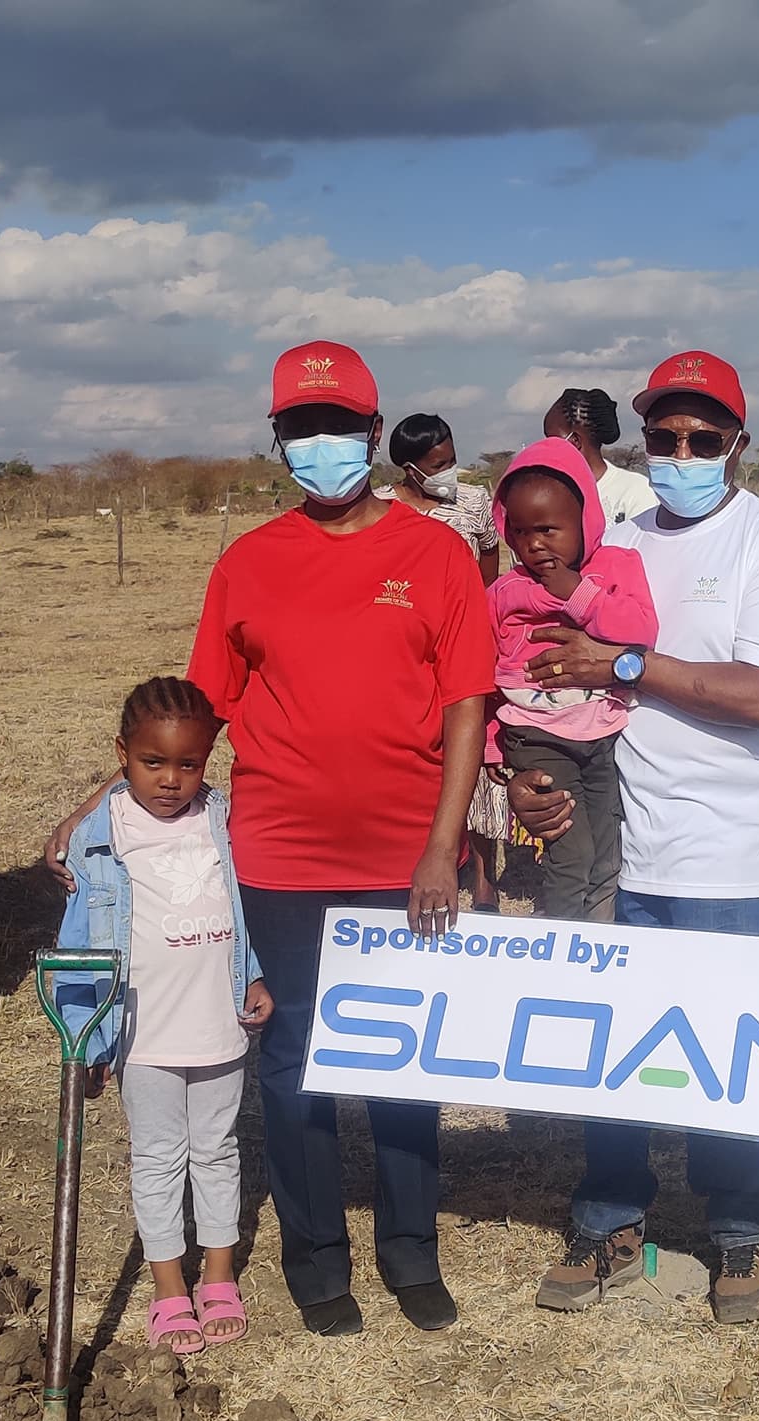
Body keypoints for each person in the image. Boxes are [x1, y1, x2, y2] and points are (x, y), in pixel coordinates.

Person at [46, 341, 492, 1335]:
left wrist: (441, 845)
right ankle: (316, 1259)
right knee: (291, 1058)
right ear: (278, 439)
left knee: (402, 1059)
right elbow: (198, 713)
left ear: (373, 433)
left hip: (403, 858)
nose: (320, 444)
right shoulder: (247, 563)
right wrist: (99, 800)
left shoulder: (436, 555)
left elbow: (467, 700)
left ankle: (410, 1249)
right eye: (300, 427)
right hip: (279, 857)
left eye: (338, 426)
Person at [509, 350, 759, 1323]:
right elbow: (542, 673)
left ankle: (741, 1228)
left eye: (702, 438)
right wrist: (528, 778)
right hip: (617, 844)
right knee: (612, 1049)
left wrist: (622, 663)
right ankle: (608, 1219)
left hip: (734, 851)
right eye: (662, 435)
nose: (679, 453)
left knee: (729, 1050)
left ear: (737, 444)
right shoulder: (614, 543)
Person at [55, 678, 275, 1354]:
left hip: (218, 1023)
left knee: (217, 1149)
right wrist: (85, 1037)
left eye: (188, 764)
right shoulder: (99, 837)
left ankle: (218, 1275)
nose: (172, 780)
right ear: (122, 753)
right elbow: (79, 948)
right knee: (157, 1157)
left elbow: (241, 906)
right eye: (154, 763)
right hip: (142, 1031)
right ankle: (169, 1286)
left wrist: (254, 972)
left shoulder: (220, 819)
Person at [489, 438, 657, 921]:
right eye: (520, 532)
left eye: (548, 529)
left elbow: (641, 630)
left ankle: (597, 936)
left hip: (601, 734)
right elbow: (486, 669)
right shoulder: (505, 591)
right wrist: (493, 747)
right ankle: (562, 937)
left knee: (607, 849)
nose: (534, 544)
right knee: (572, 850)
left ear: (585, 520)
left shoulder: (616, 568)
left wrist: (578, 593)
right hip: (537, 736)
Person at [382, 412, 507, 911]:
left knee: (476, 752)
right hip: (407, 652)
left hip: (464, 645)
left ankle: (483, 875)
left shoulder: (473, 503)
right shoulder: (382, 507)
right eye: (438, 465)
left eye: (452, 460)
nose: (448, 472)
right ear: (410, 468)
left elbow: (489, 567)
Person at [545, 388, 658, 526]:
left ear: (575, 441)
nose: (544, 448)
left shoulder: (636, 491)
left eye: (551, 440)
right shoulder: (547, 493)